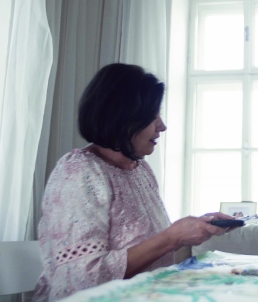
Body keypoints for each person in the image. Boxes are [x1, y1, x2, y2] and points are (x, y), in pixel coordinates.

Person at [33, 63, 235, 301]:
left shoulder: (140, 169)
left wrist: (194, 229)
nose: (162, 126)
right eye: (152, 116)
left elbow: (149, 251)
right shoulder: (79, 173)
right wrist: (172, 237)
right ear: (122, 118)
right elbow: (79, 281)